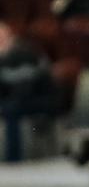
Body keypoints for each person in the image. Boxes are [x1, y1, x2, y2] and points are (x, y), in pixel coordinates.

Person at [0, 23, 57, 163]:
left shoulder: (27, 54)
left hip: (38, 101)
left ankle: (14, 158)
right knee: (10, 109)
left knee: (11, 110)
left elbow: (32, 86)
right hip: (17, 103)